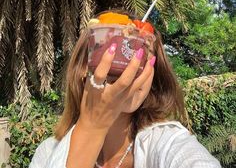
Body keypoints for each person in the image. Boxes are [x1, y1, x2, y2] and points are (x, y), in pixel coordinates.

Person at [29, 10, 221, 168]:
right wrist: (92, 126)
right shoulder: (48, 153)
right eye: (110, 53)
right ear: (82, 68)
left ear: (152, 76)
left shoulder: (168, 144)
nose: (126, 72)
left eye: (138, 55)